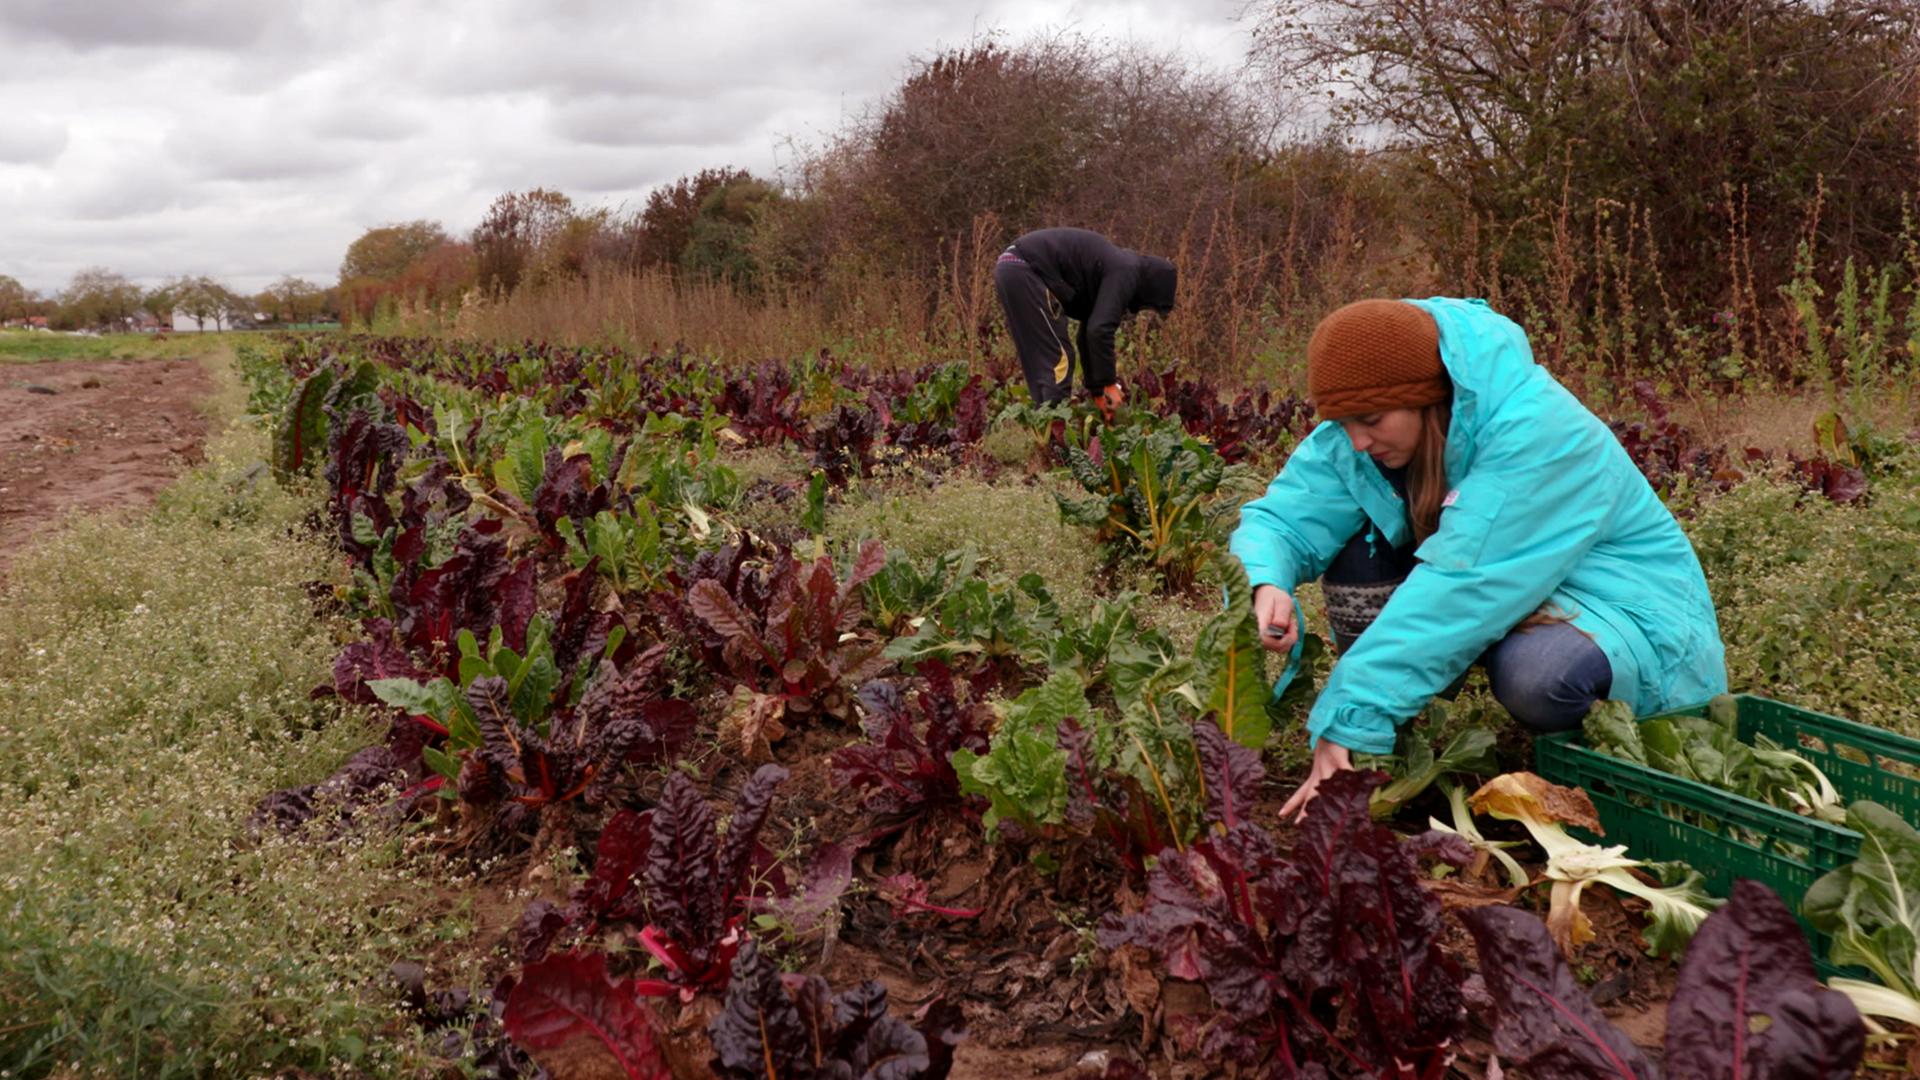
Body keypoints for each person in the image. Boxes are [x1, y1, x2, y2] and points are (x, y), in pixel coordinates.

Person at [1228, 297, 1727, 819]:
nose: (1355, 441)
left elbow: (1459, 591)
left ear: (1426, 397)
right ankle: (1389, 741)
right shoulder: (1369, 429)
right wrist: (1267, 581)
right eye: (1343, 423)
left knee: (1539, 677)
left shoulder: (1539, 431)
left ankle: (1601, 769)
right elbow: (1283, 519)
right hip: (1519, 595)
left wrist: (1344, 722)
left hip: (1634, 624)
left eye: (1370, 420)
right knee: (1362, 540)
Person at [993, 227, 1177, 418]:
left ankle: (1043, 429)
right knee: (1059, 360)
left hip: (1012, 267)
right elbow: (1099, 330)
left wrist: (1097, 392)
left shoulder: (1114, 267)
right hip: (1026, 268)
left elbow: (1087, 334)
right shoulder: (1127, 270)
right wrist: (1109, 385)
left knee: (1042, 364)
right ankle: (1053, 433)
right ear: (1152, 288)